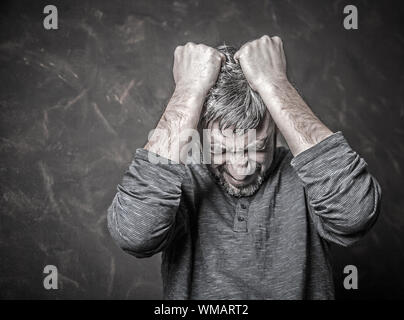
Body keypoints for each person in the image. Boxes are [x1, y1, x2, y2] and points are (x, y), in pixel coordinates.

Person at [107, 35, 381, 299]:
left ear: (276, 129)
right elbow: (134, 234)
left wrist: (276, 83)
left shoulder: (308, 177)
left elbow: (355, 214)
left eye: (258, 148)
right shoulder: (179, 181)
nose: (241, 169)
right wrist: (189, 89)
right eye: (220, 150)